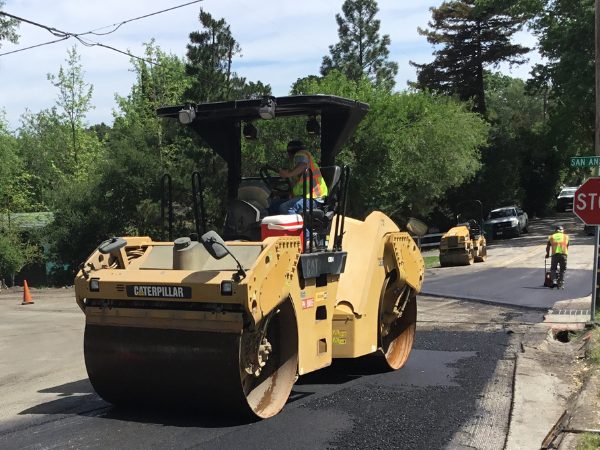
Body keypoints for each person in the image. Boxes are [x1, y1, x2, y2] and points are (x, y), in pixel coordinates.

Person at [269, 140, 328, 215]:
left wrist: (288, 173)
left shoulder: (301, 154)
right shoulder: (294, 171)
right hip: (302, 198)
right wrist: (278, 193)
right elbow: (294, 190)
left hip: (314, 198)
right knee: (271, 206)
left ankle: (299, 227)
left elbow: (302, 165)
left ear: (289, 154)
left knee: (286, 207)